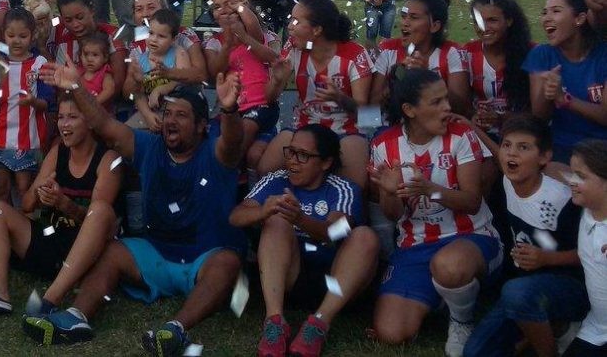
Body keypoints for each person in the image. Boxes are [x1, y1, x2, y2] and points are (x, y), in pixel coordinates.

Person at [27, 68, 246, 356]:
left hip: (204, 257)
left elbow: (232, 142)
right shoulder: (148, 146)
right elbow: (104, 124)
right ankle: (76, 318)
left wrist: (229, 109)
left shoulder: (216, 153)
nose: (171, 120)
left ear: (202, 125)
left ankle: (175, 329)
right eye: (168, 114)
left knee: (229, 262)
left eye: (181, 115)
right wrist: (76, 86)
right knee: (112, 251)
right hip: (156, 254)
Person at [0, 93, 121, 316]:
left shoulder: (107, 159)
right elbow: (28, 204)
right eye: (61, 117)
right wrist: (42, 191)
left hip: (85, 256)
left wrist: (65, 204)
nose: (64, 124)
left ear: (89, 121)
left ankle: (50, 301)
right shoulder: (58, 152)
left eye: (72, 118)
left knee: (100, 211)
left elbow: (100, 221)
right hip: (51, 238)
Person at [369, 69, 501, 357]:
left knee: (450, 266)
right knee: (392, 333)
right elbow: (392, 215)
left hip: (471, 236)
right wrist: (390, 192)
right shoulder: (384, 145)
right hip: (415, 244)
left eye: (446, 100)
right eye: (437, 102)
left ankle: (461, 320)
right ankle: (447, 296)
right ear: (410, 110)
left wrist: (430, 190)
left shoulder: (461, 134)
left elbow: (472, 201)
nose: (448, 108)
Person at [230, 125, 378, 357]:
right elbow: (236, 217)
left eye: (303, 155)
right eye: (290, 152)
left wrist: (300, 219)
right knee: (277, 219)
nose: (292, 162)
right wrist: (263, 211)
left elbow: (334, 232)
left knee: (365, 237)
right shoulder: (275, 180)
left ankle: (318, 325)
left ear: (326, 163)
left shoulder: (343, 189)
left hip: (336, 282)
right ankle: (274, 322)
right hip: (290, 276)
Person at [464, 114, 587, 357]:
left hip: (571, 286)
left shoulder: (564, 198)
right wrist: (471, 127)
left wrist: (545, 259)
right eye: (507, 145)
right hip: (527, 286)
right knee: (476, 352)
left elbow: (591, 254)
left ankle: (559, 335)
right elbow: (500, 157)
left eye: (523, 148)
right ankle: (545, 327)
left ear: (544, 157)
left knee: (515, 292)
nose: (511, 154)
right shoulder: (509, 180)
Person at [261, 0, 373, 189]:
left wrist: (339, 98)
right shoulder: (294, 49)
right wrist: (277, 80)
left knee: (355, 186)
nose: (289, 26)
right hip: (305, 126)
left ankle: (346, 219)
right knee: (265, 168)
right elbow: (270, 98)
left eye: (296, 21)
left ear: (317, 30)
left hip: (346, 130)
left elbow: (368, 116)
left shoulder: (355, 55)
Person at [524, 0, 607, 170]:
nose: (546, 18)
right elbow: (539, 118)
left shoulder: (603, 55)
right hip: (562, 149)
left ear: (579, 19)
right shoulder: (541, 55)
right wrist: (548, 92)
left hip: (602, 150)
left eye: (556, 11)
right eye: (544, 12)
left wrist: (565, 99)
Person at [204, 0, 281, 171]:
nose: (224, 9)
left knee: (234, 146)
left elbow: (256, 33)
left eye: (229, 3)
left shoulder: (262, 35)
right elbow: (216, 72)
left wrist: (241, 23)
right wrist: (228, 44)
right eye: (217, 7)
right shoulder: (213, 42)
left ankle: (227, 177)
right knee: (211, 142)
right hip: (233, 108)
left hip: (261, 105)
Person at [0, 8, 50, 204]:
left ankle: (24, 229)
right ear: (3, 36)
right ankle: (1, 226)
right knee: (1, 187)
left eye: (23, 36)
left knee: (24, 188)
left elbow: (47, 103)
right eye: (11, 35)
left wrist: (32, 101)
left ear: (33, 36)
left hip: (28, 138)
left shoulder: (38, 64)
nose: (16, 41)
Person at [370, 0, 471, 118]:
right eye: (403, 16)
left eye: (413, 17)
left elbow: (461, 108)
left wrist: (426, 76)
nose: (404, 23)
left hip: (439, 127)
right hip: (394, 128)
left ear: (434, 26)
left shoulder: (451, 53)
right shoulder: (388, 50)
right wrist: (398, 76)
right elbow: (372, 106)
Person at [463, 0, 532, 146]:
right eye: (478, 21)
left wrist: (502, 118)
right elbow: (461, 104)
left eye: (492, 20)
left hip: (522, 134)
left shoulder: (532, 53)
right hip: (480, 135)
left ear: (509, 20)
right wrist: (474, 116)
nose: (484, 28)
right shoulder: (466, 53)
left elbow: (539, 113)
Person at [563, 139, 607, 356]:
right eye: (572, 173)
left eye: (580, 177)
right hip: (596, 329)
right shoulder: (585, 210)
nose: (571, 181)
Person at [49, 0, 128, 93]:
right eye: (68, 20)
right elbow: (60, 85)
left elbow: (118, 83)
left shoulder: (113, 35)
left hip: (108, 104)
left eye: (80, 17)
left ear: (92, 10)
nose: (75, 24)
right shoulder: (64, 42)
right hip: (73, 104)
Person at [124, 8, 191, 131]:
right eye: (151, 33)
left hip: (177, 110)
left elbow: (184, 78)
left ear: (174, 39)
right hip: (151, 112)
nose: (154, 39)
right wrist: (148, 115)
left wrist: (161, 89)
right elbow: (138, 95)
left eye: (161, 36)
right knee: (126, 132)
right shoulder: (141, 59)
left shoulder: (178, 53)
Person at [130, 0, 207, 85]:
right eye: (139, 9)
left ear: (164, 9)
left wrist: (169, 73)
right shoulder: (136, 45)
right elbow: (127, 91)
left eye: (151, 7)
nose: (145, 14)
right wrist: (135, 82)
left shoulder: (184, 35)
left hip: (183, 95)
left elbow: (201, 74)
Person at [77, 33, 116, 108]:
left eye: (95, 55)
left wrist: (92, 103)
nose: (89, 59)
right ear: (80, 56)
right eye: (86, 54)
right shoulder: (79, 72)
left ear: (105, 58)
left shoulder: (104, 74)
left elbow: (109, 90)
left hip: (100, 114)